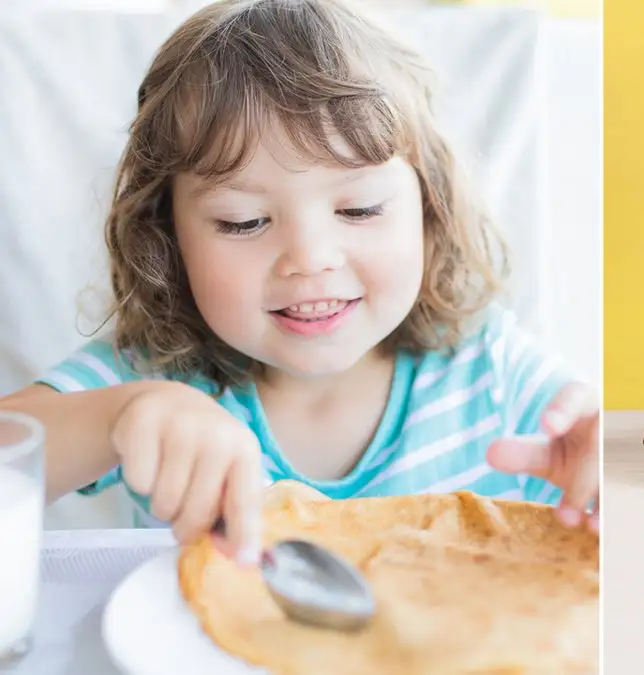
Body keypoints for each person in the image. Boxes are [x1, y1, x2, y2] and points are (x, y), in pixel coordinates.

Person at [0, 0, 599, 566]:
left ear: (429, 210)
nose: (310, 258)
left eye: (360, 209)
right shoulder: (152, 377)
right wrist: (119, 417)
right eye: (245, 221)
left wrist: (598, 465)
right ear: (167, 239)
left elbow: (606, 465)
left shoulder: (490, 367)